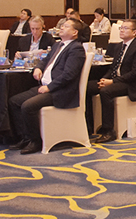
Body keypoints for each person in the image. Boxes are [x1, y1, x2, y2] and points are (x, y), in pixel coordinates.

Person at [7, 19, 87, 154]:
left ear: (75, 32)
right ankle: (25, 137)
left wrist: (50, 87)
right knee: (14, 101)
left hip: (59, 91)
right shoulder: (58, 45)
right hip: (46, 87)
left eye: (66, 26)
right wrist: (38, 68)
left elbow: (69, 75)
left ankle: (36, 141)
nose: (61, 28)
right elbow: (45, 60)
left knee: (28, 106)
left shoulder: (76, 49)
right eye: (62, 25)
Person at [85, 20, 136, 143]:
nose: (122, 30)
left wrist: (112, 82)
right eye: (121, 28)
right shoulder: (118, 46)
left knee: (106, 91)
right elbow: (113, 68)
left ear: (134, 32)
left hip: (130, 84)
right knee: (87, 87)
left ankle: (109, 131)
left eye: (125, 28)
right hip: (116, 80)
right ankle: (89, 127)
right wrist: (104, 79)